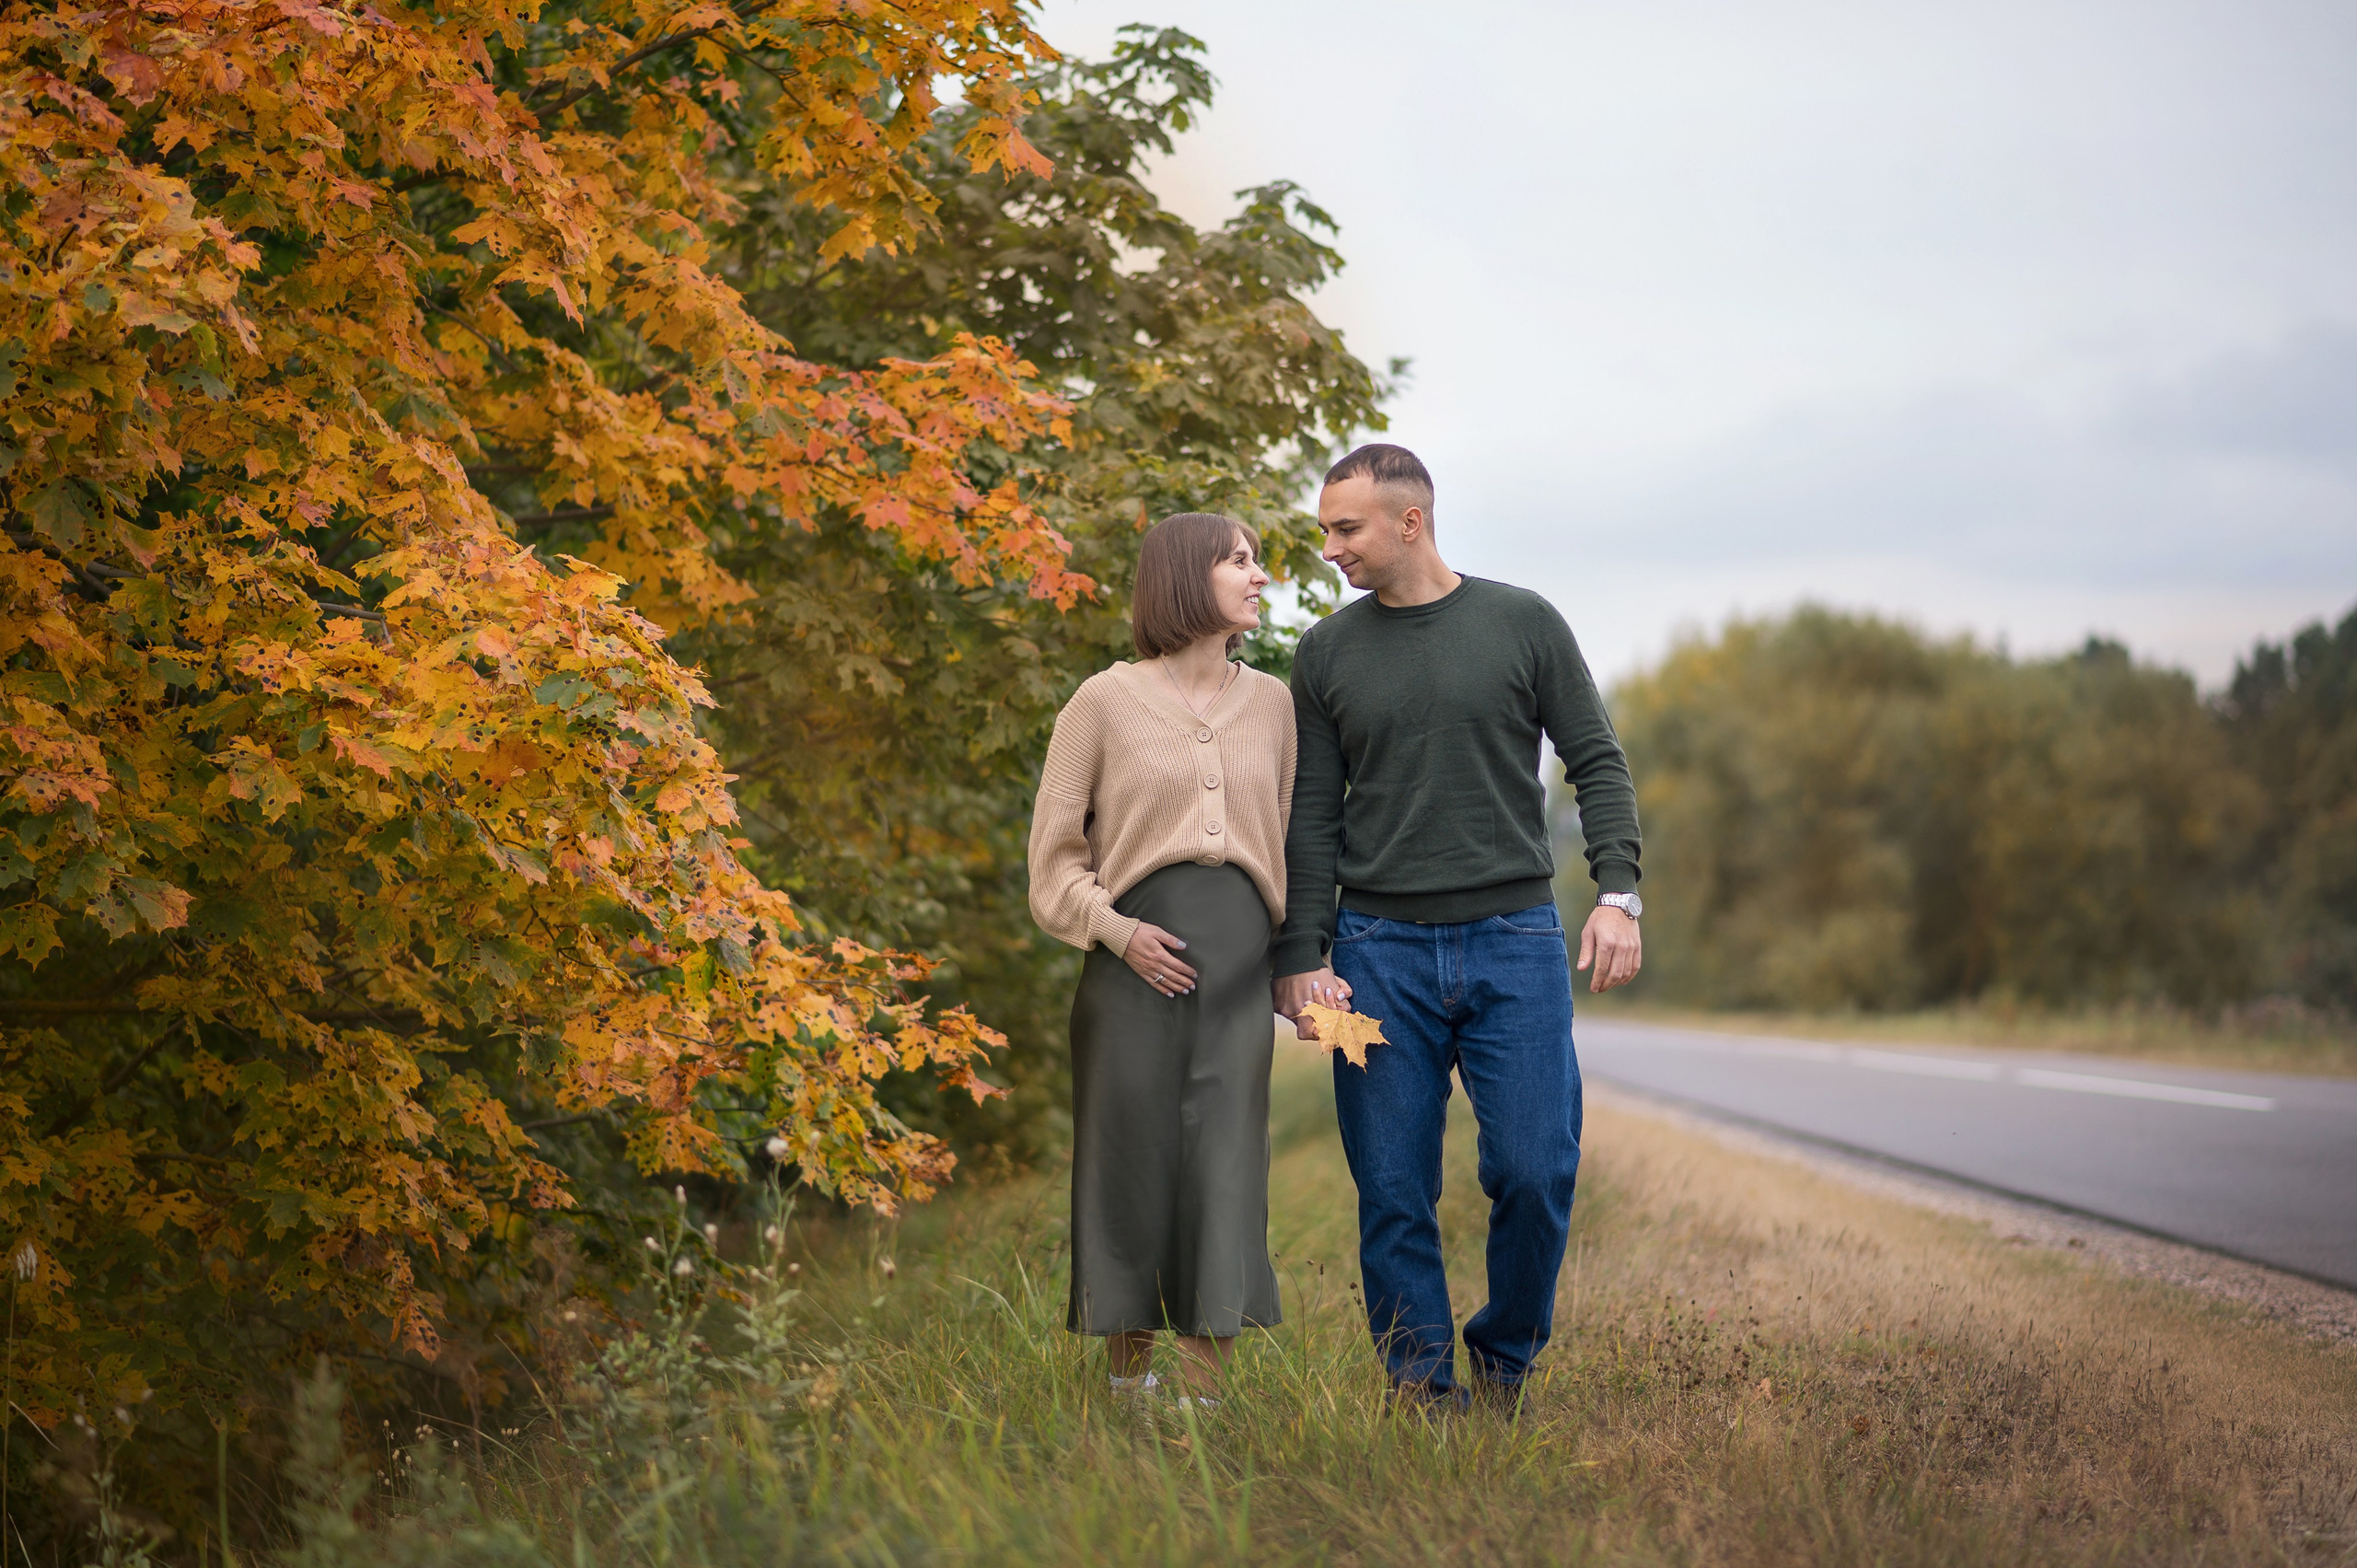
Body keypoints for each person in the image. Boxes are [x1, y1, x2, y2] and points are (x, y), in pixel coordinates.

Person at [1271, 443, 1643, 1413]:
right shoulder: (1325, 654)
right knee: (1392, 1187)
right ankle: (1423, 1394)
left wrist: (1617, 892)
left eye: (1345, 528)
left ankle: (1504, 1362)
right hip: (1372, 956)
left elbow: (1596, 760)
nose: (1329, 549)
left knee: (1535, 1167)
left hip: (1515, 941)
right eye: (1324, 530)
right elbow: (1311, 815)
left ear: (1411, 521)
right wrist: (1301, 956)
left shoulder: (1522, 622)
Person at [1028, 511, 1326, 1403]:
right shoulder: (1101, 701)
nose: (1258, 576)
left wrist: (1298, 958)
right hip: (1129, 972)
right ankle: (1129, 1395)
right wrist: (1117, 931)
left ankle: (1200, 1406)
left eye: (1257, 562)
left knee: (1223, 1172)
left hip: (1238, 970)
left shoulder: (1274, 704)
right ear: (1186, 576)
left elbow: (1293, 845)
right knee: (1130, 1169)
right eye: (1240, 561)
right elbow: (1051, 862)